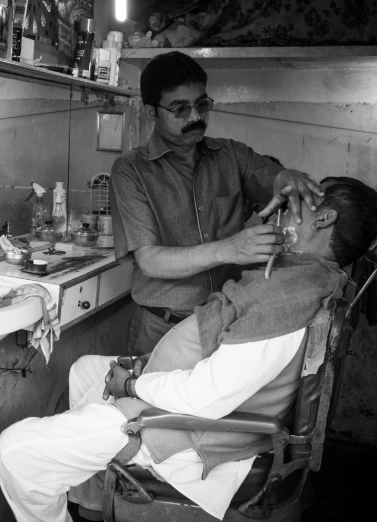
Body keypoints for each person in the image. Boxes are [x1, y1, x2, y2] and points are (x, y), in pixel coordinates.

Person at [0, 177, 377, 522]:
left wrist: (133, 386)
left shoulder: (287, 300)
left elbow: (205, 397)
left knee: (16, 452)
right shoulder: (302, 280)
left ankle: (110, 452)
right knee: (84, 368)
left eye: (300, 201)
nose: (286, 208)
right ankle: (99, 502)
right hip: (185, 400)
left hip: (183, 432)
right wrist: (148, 366)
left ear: (323, 219)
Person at [110, 51, 324, 356]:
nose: (196, 117)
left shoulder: (232, 155)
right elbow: (150, 260)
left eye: (202, 104)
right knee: (147, 401)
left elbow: (274, 178)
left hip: (227, 324)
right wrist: (229, 249)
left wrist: (285, 177)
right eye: (180, 109)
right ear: (150, 112)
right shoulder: (131, 170)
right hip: (162, 326)